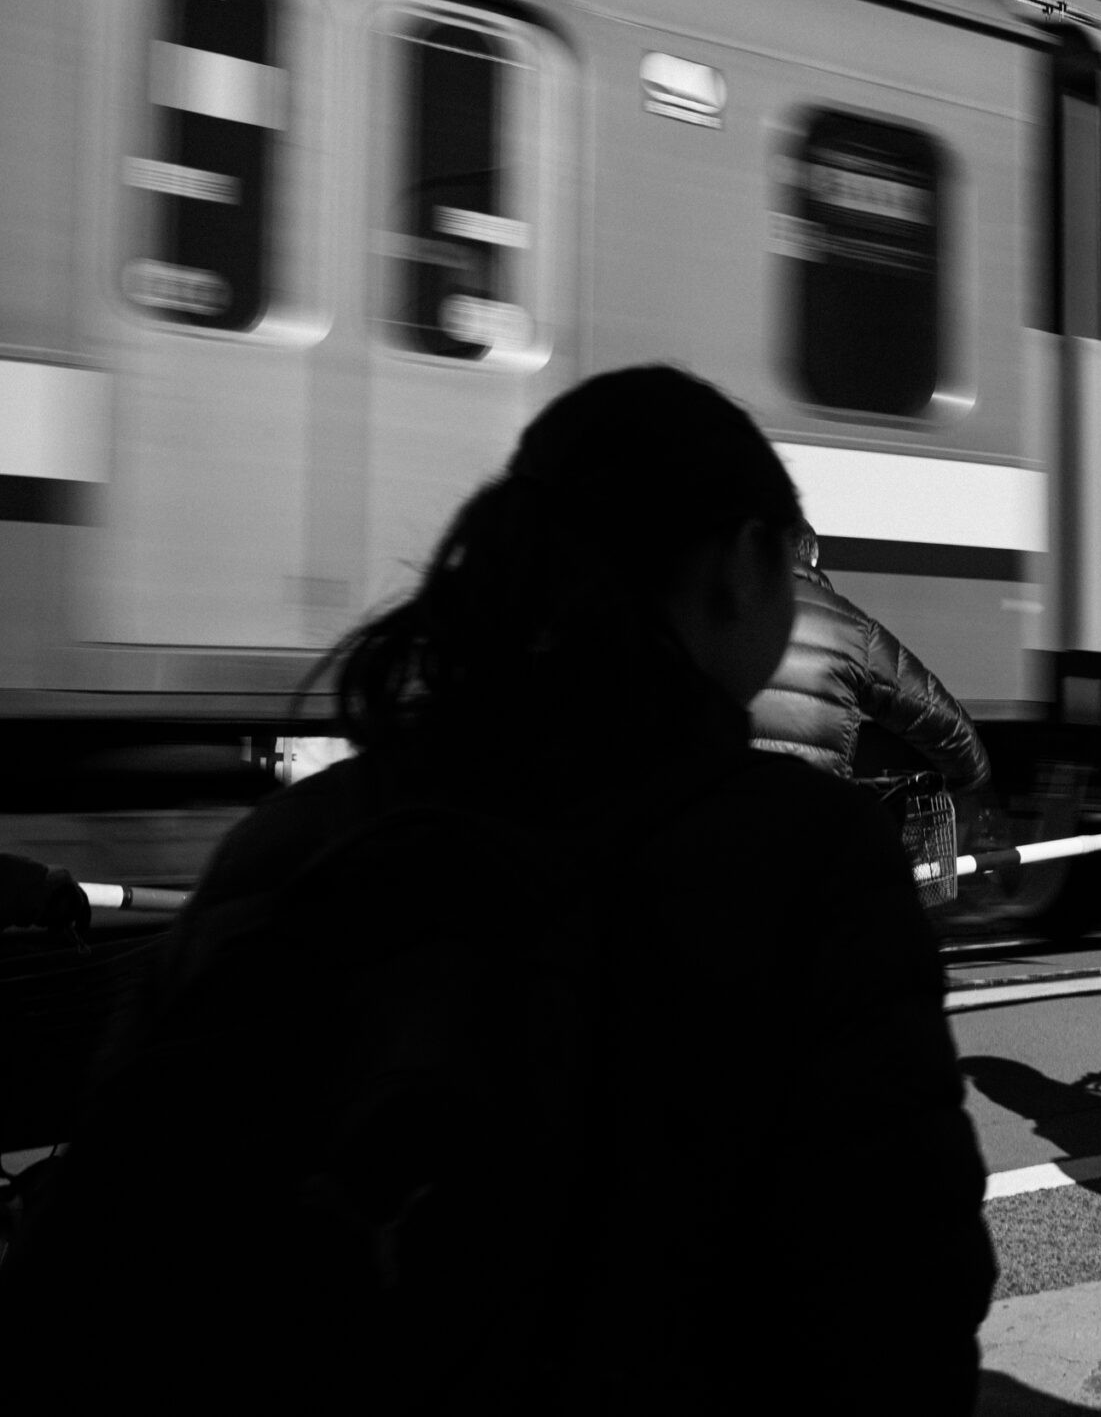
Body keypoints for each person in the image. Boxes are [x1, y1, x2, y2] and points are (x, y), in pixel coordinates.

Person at [0, 367, 995, 1412]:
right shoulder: (810, 858)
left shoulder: (299, 836)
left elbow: (98, 1252)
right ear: (746, 566)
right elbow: (901, 1299)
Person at [751, 532, 993, 903]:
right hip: (813, 844)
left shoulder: (719, 615)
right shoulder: (851, 629)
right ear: (811, 558)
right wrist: (970, 776)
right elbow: (940, 718)